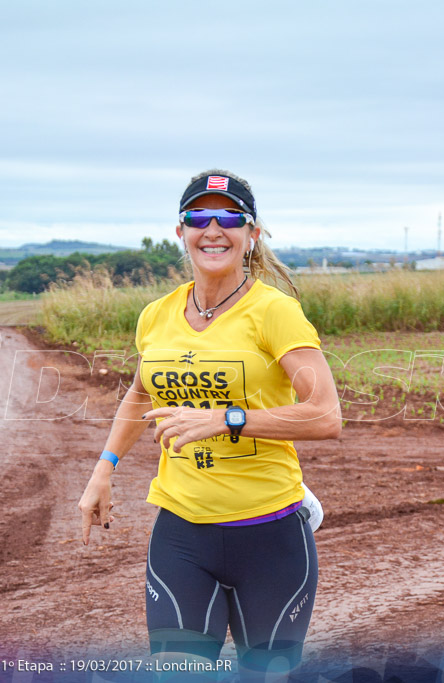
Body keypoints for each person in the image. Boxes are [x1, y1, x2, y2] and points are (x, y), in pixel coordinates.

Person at [78, 169, 341, 678]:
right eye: (199, 216)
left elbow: (326, 415)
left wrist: (227, 419)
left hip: (271, 538)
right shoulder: (157, 315)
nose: (213, 228)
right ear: (181, 231)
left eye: (229, 217)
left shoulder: (275, 313)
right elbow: (140, 392)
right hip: (181, 535)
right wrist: (103, 468)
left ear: (252, 235)